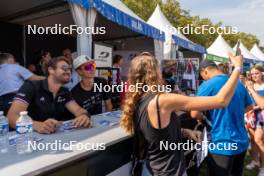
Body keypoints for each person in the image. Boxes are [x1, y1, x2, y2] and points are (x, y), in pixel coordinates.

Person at [121, 52, 243, 176]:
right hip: (168, 171)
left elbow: (157, 134)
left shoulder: (138, 99)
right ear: (155, 73)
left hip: (152, 168)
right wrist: (237, 68)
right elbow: (221, 101)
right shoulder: (162, 100)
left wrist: (185, 132)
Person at [190, 59, 253, 176]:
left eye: (202, 76)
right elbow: (249, 107)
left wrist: (204, 118)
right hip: (241, 141)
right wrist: (234, 113)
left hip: (219, 142)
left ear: (205, 72)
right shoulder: (236, 83)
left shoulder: (207, 85)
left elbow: (194, 113)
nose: (203, 78)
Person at [7, 56, 91, 134]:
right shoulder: (31, 86)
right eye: (64, 68)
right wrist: (37, 125)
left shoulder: (64, 92)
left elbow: (78, 110)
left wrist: (83, 116)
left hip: (51, 137)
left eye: (69, 69)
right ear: (51, 70)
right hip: (26, 138)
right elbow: (11, 117)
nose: (68, 71)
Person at [245, 65, 264, 175]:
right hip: (250, 117)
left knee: (259, 140)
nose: (254, 75)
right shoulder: (249, 86)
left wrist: (252, 108)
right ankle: (255, 161)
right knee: (253, 141)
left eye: (256, 73)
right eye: (252, 74)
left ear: (262, 73)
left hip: (261, 117)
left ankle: (263, 167)